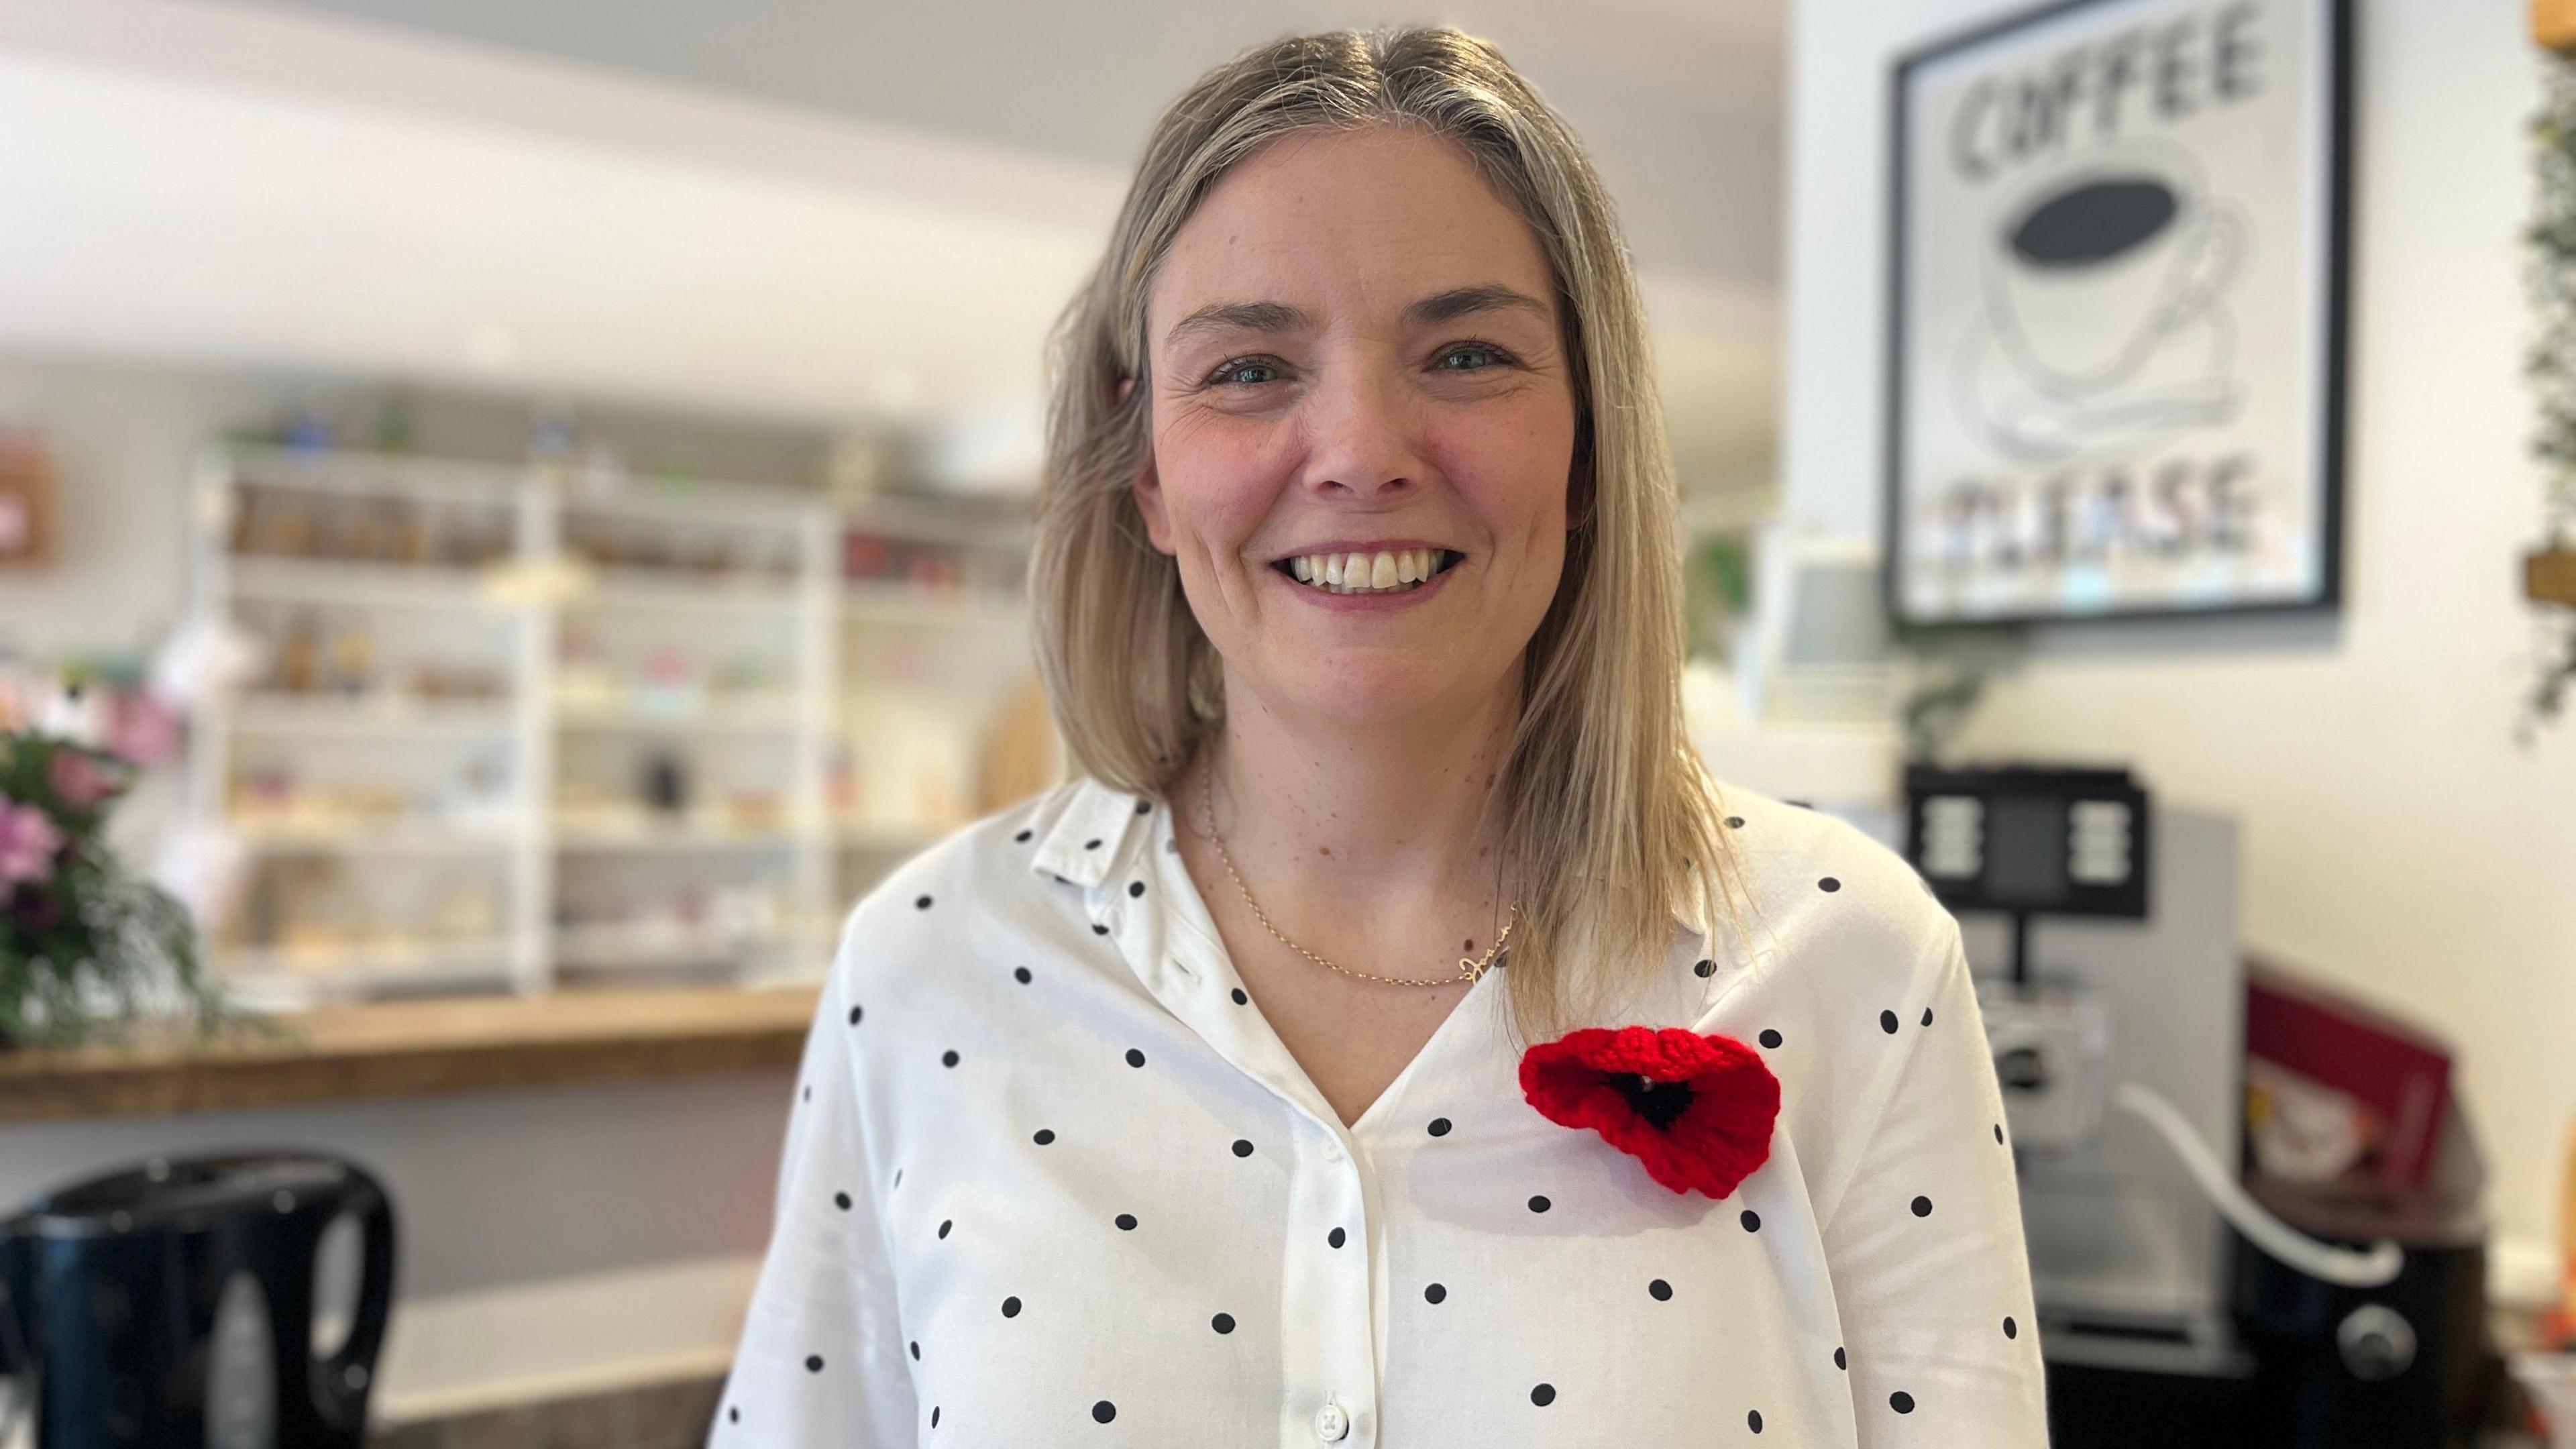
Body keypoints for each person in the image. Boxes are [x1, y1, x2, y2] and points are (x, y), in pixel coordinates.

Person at [716, 25, 2046, 1446]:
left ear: (1588, 449)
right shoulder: (929, 961)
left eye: (1467, 355)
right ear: (1147, 473)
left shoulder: (1853, 960)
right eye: (1249, 369)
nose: (1360, 452)